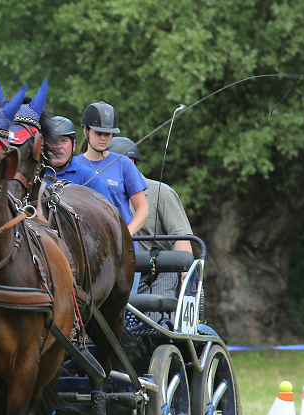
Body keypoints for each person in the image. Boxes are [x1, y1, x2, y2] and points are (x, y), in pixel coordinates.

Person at [109, 136, 193, 298]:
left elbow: (181, 237)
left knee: (153, 319)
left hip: (155, 273)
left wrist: (186, 274)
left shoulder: (161, 192)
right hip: (115, 274)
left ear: (130, 164)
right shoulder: (102, 193)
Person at [73, 102, 148, 236]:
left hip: (122, 244)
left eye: (108, 134)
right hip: (86, 242)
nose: (103, 138)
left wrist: (126, 234)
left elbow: (143, 208)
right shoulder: (73, 165)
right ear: (85, 130)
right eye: (98, 133)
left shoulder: (124, 163)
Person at [45, 116, 112, 202]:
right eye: (52, 141)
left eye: (63, 140)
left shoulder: (88, 177)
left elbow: (109, 212)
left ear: (73, 146)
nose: (58, 147)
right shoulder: (34, 174)